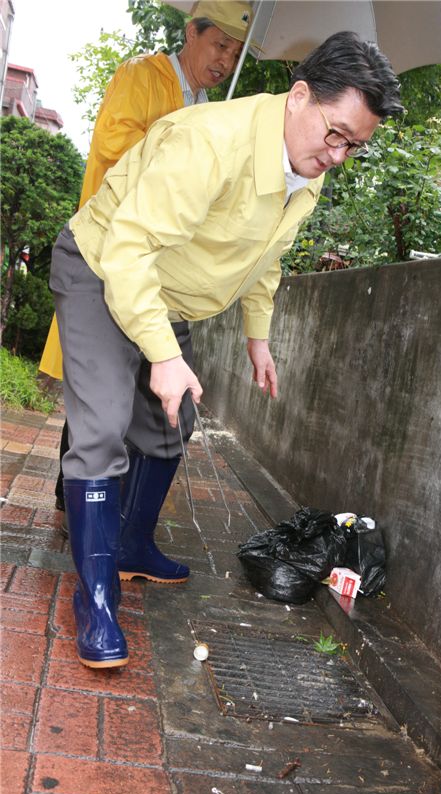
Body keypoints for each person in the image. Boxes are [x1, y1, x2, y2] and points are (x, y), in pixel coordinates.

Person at [50, 30, 403, 669]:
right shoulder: (208, 142)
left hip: (165, 292)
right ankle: (95, 600)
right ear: (300, 96)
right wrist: (162, 353)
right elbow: (128, 250)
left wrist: (257, 336)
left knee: (172, 423)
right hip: (105, 267)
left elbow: (266, 258)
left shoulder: (306, 169)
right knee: (100, 426)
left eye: (355, 145)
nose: (339, 155)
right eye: (335, 134)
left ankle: (130, 547)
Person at [38, 0, 254, 517]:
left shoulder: (206, 106)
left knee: (130, 383)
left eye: (236, 50)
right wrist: (183, 142)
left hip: (161, 269)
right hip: (111, 251)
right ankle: (73, 502)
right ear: (191, 33)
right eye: (219, 44)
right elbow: (115, 147)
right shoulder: (143, 75)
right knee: (101, 380)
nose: (225, 59)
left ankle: (110, 512)